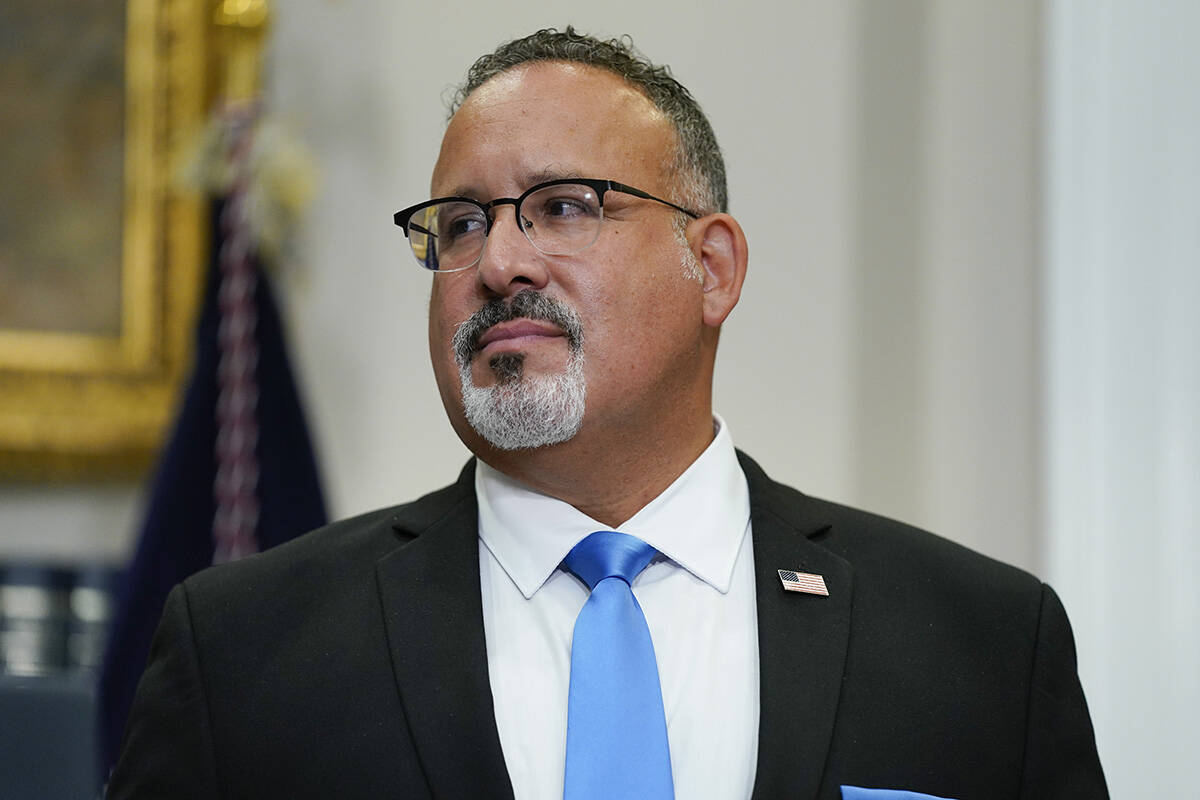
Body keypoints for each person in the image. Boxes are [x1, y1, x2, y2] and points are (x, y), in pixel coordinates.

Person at [108, 27, 1108, 800]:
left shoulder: (981, 646)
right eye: (459, 225)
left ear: (711, 267)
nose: (499, 262)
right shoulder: (244, 650)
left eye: (564, 206)